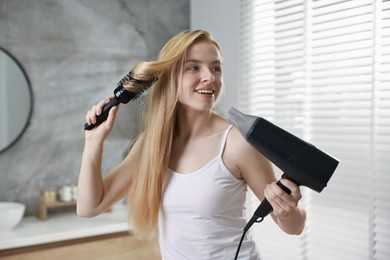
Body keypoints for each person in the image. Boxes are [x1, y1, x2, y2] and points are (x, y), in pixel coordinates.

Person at [77, 29, 306, 260]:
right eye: (193, 67)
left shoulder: (237, 144)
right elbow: (89, 207)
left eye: (216, 68)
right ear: (171, 77)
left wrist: (287, 210)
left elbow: (294, 226)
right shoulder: (153, 145)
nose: (210, 77)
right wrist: (93, 143)